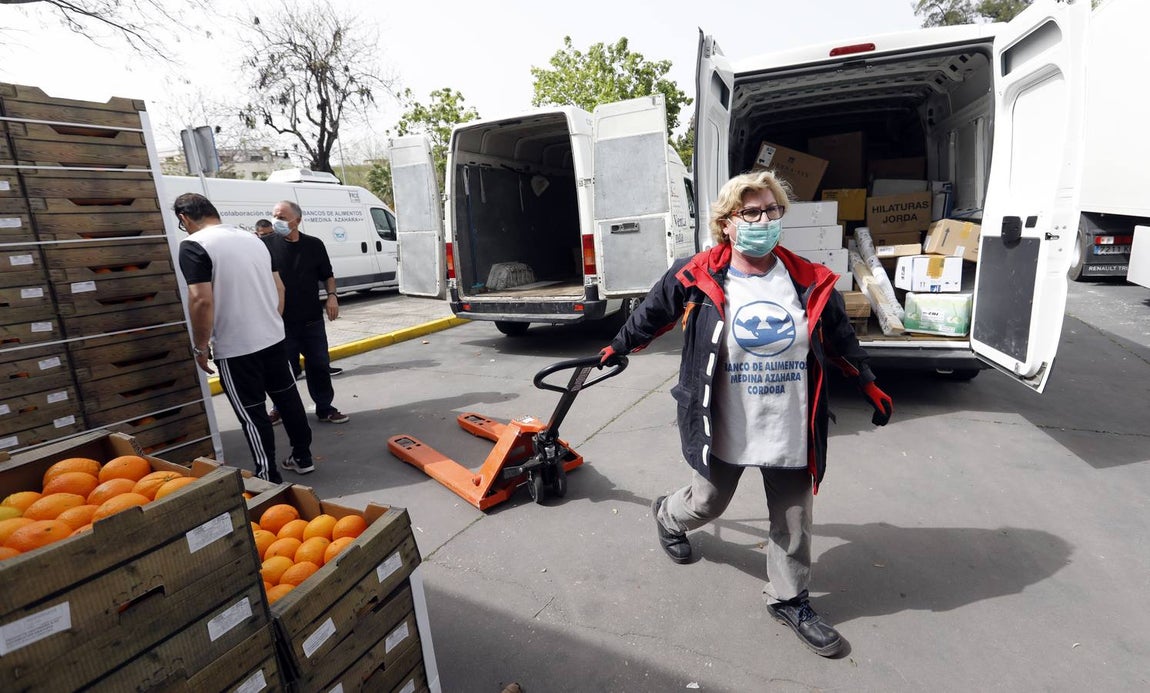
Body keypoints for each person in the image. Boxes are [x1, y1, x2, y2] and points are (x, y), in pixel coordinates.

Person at [600, 170, 892, 658]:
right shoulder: (696, 274)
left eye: (771, 210)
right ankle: (668, 517)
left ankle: (788, 598)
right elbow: (653, 312)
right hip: (725, 421)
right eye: (750, 212)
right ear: (727, 224)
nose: (763, 220)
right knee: (707, 503)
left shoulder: (807, 277)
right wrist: (618, 344)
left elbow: (839, 334)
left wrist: (866, 379)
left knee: (794, 521)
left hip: (789, 423)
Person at [174, 193, 316, 480]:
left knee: (253, 415)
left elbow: (201, 300)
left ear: (184, 218)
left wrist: (200, 347)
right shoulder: (254, 240)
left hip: (236, 348)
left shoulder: (193, 246)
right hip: (273, 338)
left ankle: (267, 476)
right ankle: (303, 456)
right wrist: (271, 321)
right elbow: (280, 289)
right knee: (288, 401)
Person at [262, 200, 350, 424]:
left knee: (319, 365)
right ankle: (279, 408)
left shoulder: (314, 245)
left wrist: (332, 297)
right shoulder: (264, 245)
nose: (276, 221)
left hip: (311, 321)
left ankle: (325, 408)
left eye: (281, 217)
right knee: (283, 369)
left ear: (297, 221)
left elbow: (327, 275)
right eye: (274, 216)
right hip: (280, 322)